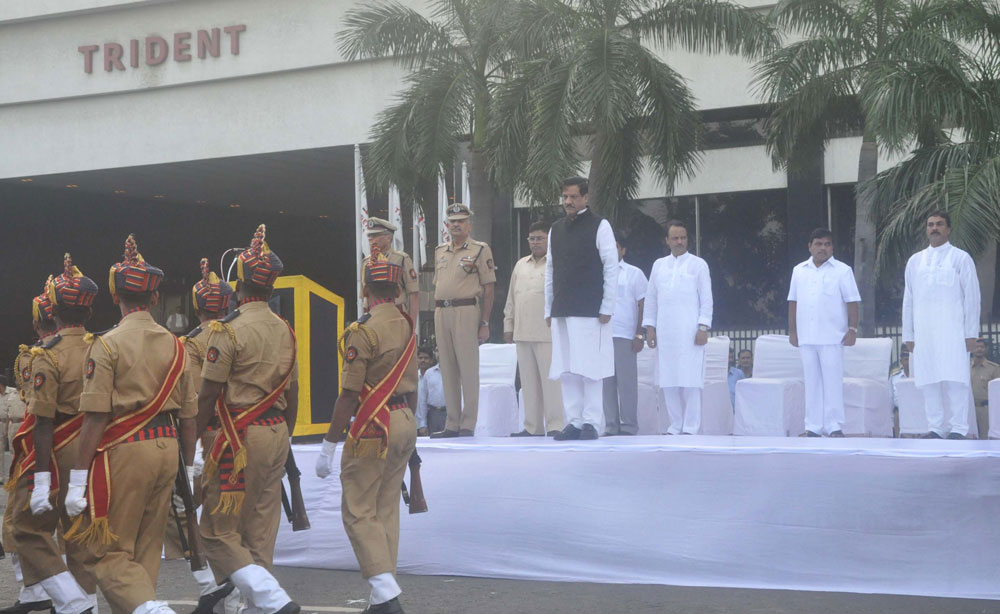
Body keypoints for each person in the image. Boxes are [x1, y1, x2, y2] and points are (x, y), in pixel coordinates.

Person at [65, 235, 198, 614]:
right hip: (167, 446)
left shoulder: (106, 345)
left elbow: (95, 417)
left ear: (114, 297)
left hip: (125, 451)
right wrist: (188, 467)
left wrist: (77, 479)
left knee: (107, 554)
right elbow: (188, 416)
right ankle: (146, 606)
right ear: (155, 298)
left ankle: (154, 611)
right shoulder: (178, 345)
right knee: (145, 550)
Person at [195, 225, 300, 614]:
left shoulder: (227, 329)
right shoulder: (285, 329)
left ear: (237, 286)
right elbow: (294, 393)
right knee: (259, 529)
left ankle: (274, 601)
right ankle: (253, 607)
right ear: (272, 288)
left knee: (217, 532)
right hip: (275, 432)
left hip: (237, 439)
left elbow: (208, 395)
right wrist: (284, 434)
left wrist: (191, 445)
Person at [314, 252, 418, 614]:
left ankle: (386, 593)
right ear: (397, 288)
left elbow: (348, 394)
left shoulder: (362, 330)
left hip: (375, 424)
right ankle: (380, 598)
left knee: (358, 510)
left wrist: (328, 444)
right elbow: (414, 382)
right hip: (405, 417)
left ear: (365, 289)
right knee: (385, 507)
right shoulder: (406, 322)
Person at [10, 256, 99, 614]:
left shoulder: (46, 354)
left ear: (54, 312)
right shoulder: (102, 346)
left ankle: (73, 601)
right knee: (80, 535)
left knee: (27, 528)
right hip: (96, 448)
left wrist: (42, 477)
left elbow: (42, 419)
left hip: (58, 448)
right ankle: (86, 601)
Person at [172, 259, 239, 614]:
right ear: (227, 305)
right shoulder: (238, 331)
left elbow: (195, 401)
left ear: (196, 307)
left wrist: (191, 454)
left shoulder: (193, 343)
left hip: (208, 437)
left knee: (187, 517)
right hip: (245, 433)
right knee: (233, 523)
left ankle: (217, 590)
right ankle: (229, 595)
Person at [1, 287, 59, 614]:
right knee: (65, 527)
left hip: (38, 448)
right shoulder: (92, 348)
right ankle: (56, 595)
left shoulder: (33, 356)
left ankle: (38, 592)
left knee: (16, 523)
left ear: (37, 324)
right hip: (81, 449)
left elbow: (33, 408)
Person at [546, 177, 618, 441]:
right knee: (567, 368)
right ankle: (573, 421)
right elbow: (550, 270)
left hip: (591, 308)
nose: (568, 202)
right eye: (565, 197)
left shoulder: (601, 226)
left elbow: (611, 267)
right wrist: (548, 308)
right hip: (563, 307)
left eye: (573, 197)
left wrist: (607, 305)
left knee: (590, 368)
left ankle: (591, 423)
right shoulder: (556, 228)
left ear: (586, 198)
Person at [902, 211, 981, 440]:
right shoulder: (915, 261)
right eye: (930, 225)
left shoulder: (961, 258)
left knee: (956, 379)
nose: (934, 228)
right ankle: (936, 428)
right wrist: (909, 333)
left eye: (939, 224)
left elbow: (972, 298)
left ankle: (958, 428)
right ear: (926, 229)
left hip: (954, 332)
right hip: (924, 333)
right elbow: (908, 299)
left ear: (948, 229)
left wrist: (971, 334)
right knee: (929, 380)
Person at [430, 203, 495, 438]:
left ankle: (468, 423)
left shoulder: (479, 249)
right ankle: (452, 423)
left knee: (468, 369)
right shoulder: (440, 250)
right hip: (441, 311)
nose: (455, 225)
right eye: (452, 221)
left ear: (469, 225)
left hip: (466, 310)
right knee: (446, 368)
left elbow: (489, 288)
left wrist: (485, 322)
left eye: (460, 221)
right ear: (447, 225)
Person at [788, 228, 861, 438]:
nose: (822, 248)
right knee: (811, 384)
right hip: (806, 337)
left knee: (832, 383)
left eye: (827, 244)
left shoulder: (842, 270)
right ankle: (812, 427)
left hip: (833, 337)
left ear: (832, 247)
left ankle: (834, 426)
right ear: (810, 247)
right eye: (818, 244)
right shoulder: (799, 270)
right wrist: (793, 331)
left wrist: (852, 329)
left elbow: (852, 302)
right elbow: (793, 302)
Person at [644, 220, 713, 435]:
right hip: (665, 331)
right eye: (675, 238)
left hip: (690, 331)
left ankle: (691, 427)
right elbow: (651, 298)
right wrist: (650, 328)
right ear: (667, 240)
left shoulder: (698, 264)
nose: (679, 241)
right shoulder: (658, 265)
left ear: (688, 239)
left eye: (683, 237)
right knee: (668, 379)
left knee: (691, 379)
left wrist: (703, 326)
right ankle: (675, 425)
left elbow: (707, 298)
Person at [504, 221, 564, 437]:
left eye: (540, 238)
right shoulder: (521, 264)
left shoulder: (557, 263)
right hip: (522, 332)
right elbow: (511, 297)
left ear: (549, 240)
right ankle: (532, 426)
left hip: (548, 333)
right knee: (528, 383)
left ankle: (556, 425)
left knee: (551, 383)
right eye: (532, 238)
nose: (535, 242)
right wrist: (508, 325)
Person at [602, 230, 646, 436]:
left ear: (623, 250)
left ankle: (628, 426)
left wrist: (639, 333)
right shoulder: (598, 272)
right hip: (602, 335)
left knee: (626, 383)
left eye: (616, 247)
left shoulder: (634, 273)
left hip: (625, 335)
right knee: (606, 383)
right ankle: (611, 426)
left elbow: (642, 303)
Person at [362, 217, 420, 317]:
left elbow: (413, 294)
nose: (371, 238)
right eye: (369, 235)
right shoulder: (367, 262)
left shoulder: (401, 259)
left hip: (396, 315)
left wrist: (412, 327)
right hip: (373, 316)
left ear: (388, 237)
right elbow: (365, 296)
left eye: (375, 235)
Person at [971, 339, 999, 439]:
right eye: (976, 347)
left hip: (986, 409)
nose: (979, 349)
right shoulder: (965, 367)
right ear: (972, 349)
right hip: (969, 409)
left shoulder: (994, 368)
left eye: (982, 347)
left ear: (986, 349)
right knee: (969, 439)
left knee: (985, 439)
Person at [416, 348, 445, 437]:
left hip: (449, 414)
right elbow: (423, 400)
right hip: (432, 414)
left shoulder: (455, 372)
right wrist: (423, 423)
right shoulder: (429, 374)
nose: (423, 360)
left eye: (426, 358)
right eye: (437, 350)